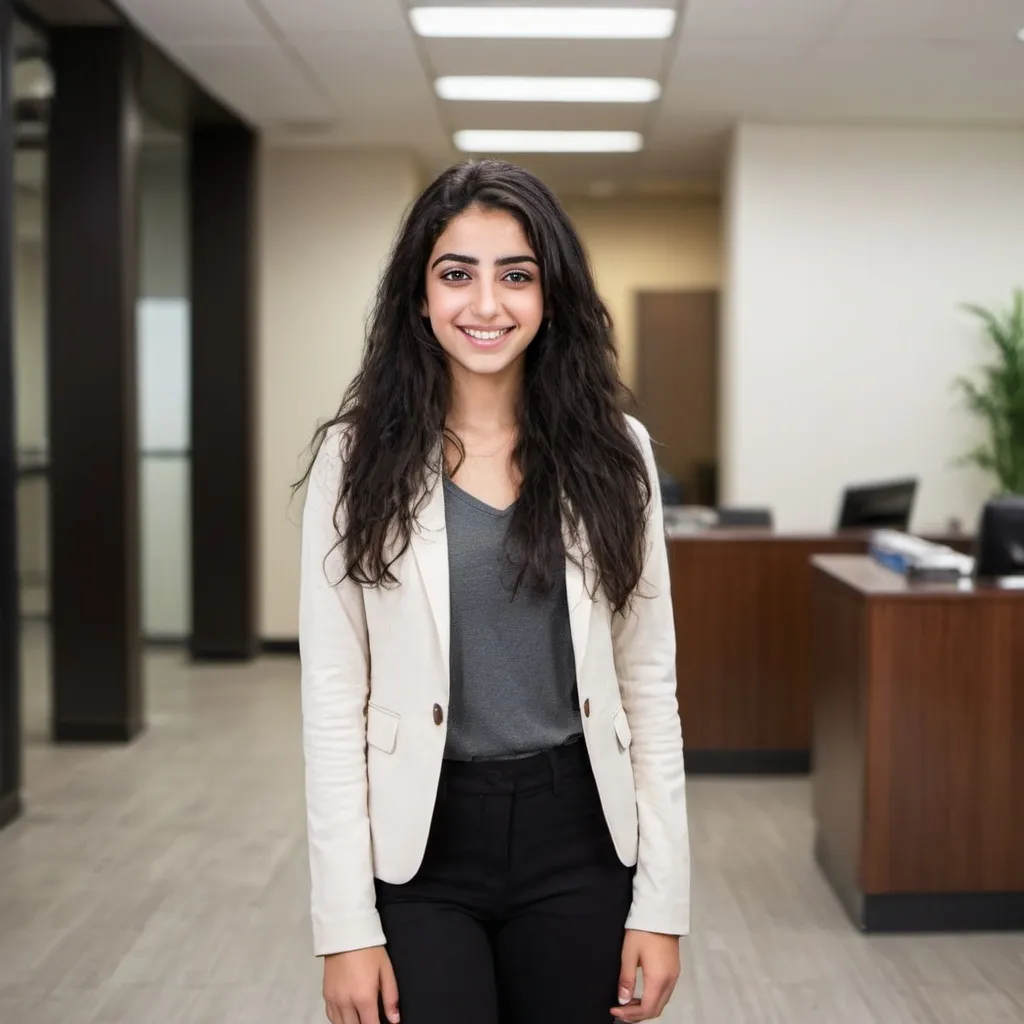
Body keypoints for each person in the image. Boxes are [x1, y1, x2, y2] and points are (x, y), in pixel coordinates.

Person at [297, 158, 689, 1024]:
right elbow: (332, 700)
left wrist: (662, 904)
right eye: (456, 274)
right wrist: (343, 925)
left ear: (551, 294)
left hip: (578, 834)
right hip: (421, 846)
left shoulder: (617, 453)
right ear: (419, 295)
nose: (486, 304)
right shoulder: (355, 459)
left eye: (516, 275)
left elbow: (646, 688)